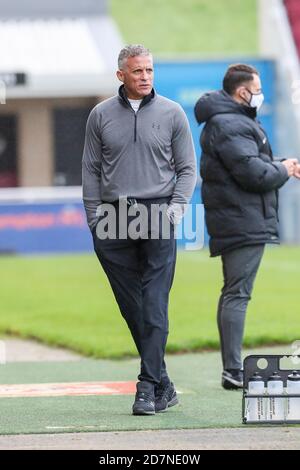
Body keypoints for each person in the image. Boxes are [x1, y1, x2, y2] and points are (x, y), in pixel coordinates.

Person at [82, 45, 197, 414]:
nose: (145, 76)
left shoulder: (173, 113)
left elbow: (187, 169)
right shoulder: (100, 115)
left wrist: (175, 211)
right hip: (112, 218)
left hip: (157, 213)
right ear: (121, 75)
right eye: (137, 71)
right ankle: (163, 381)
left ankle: (147, 386)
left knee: (154, 304)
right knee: (132, 306)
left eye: (149, 70)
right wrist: (94, 220)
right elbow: (90, 170)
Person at [194, 63, 298, 390]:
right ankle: (233, 369)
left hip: (241, 218)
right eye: (257, 88)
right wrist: (281, 169)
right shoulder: (229, 124)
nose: (260, 94)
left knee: (235, 293)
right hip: (242, 220)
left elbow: (253, 162)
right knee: (237, 294)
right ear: (243, 92)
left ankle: (232, 368)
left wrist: (283, 165)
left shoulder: (231, 122)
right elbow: (254, 174)